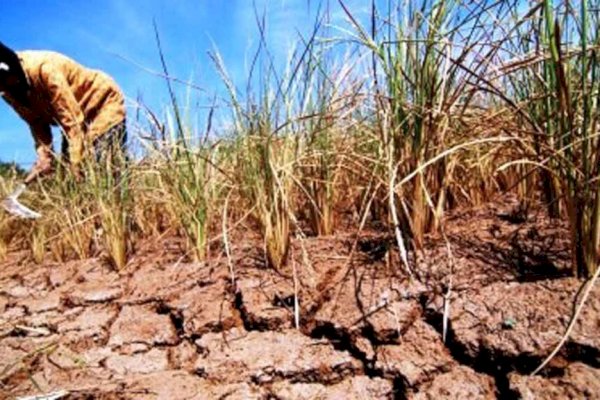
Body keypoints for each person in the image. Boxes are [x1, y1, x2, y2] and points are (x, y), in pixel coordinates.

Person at [0, 41, 126, 183]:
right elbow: (36, 123)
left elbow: (72, 122)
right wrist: (44, 156)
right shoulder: (7, 92)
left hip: (102, 104)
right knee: (68, 180)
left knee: (105, 170)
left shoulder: (44, 69)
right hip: (72, 118)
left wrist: (76, 165)